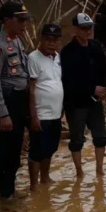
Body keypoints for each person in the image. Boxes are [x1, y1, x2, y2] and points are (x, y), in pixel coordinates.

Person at [0, 1, 32, 200]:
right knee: (6, 149)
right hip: (8, 101)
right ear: (6, 21)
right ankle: (4, 193)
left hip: (19, 100)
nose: (25, 24)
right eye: (20, 20)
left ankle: (8, 188)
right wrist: (2, 114)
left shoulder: (17, 41)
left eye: (26, 20)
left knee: (15, 148)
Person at [60, 13, 106, 178]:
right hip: (75, 103)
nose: (88, 31)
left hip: (95, 101)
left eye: (90, 28)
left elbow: (104, 69)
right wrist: (91, 89)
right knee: (77, 139)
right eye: (84, 28)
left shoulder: (96, 46)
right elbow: (68, 81)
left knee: (101, 136)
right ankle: (79, 172)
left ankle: (100, 170)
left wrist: (104, 89)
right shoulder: (68, 52)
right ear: (76, 29)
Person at [28, 23, 63, 190]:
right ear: (41, 39)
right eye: (48, 39)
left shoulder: (58, 58)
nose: (51, 43)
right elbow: (31, 89)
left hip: (55, 114)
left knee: (50, 148)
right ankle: (34, 185)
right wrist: (33, 116)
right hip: (41, 115)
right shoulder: (34, 58)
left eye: (55, 40)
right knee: (36, 151)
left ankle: (45, 178)